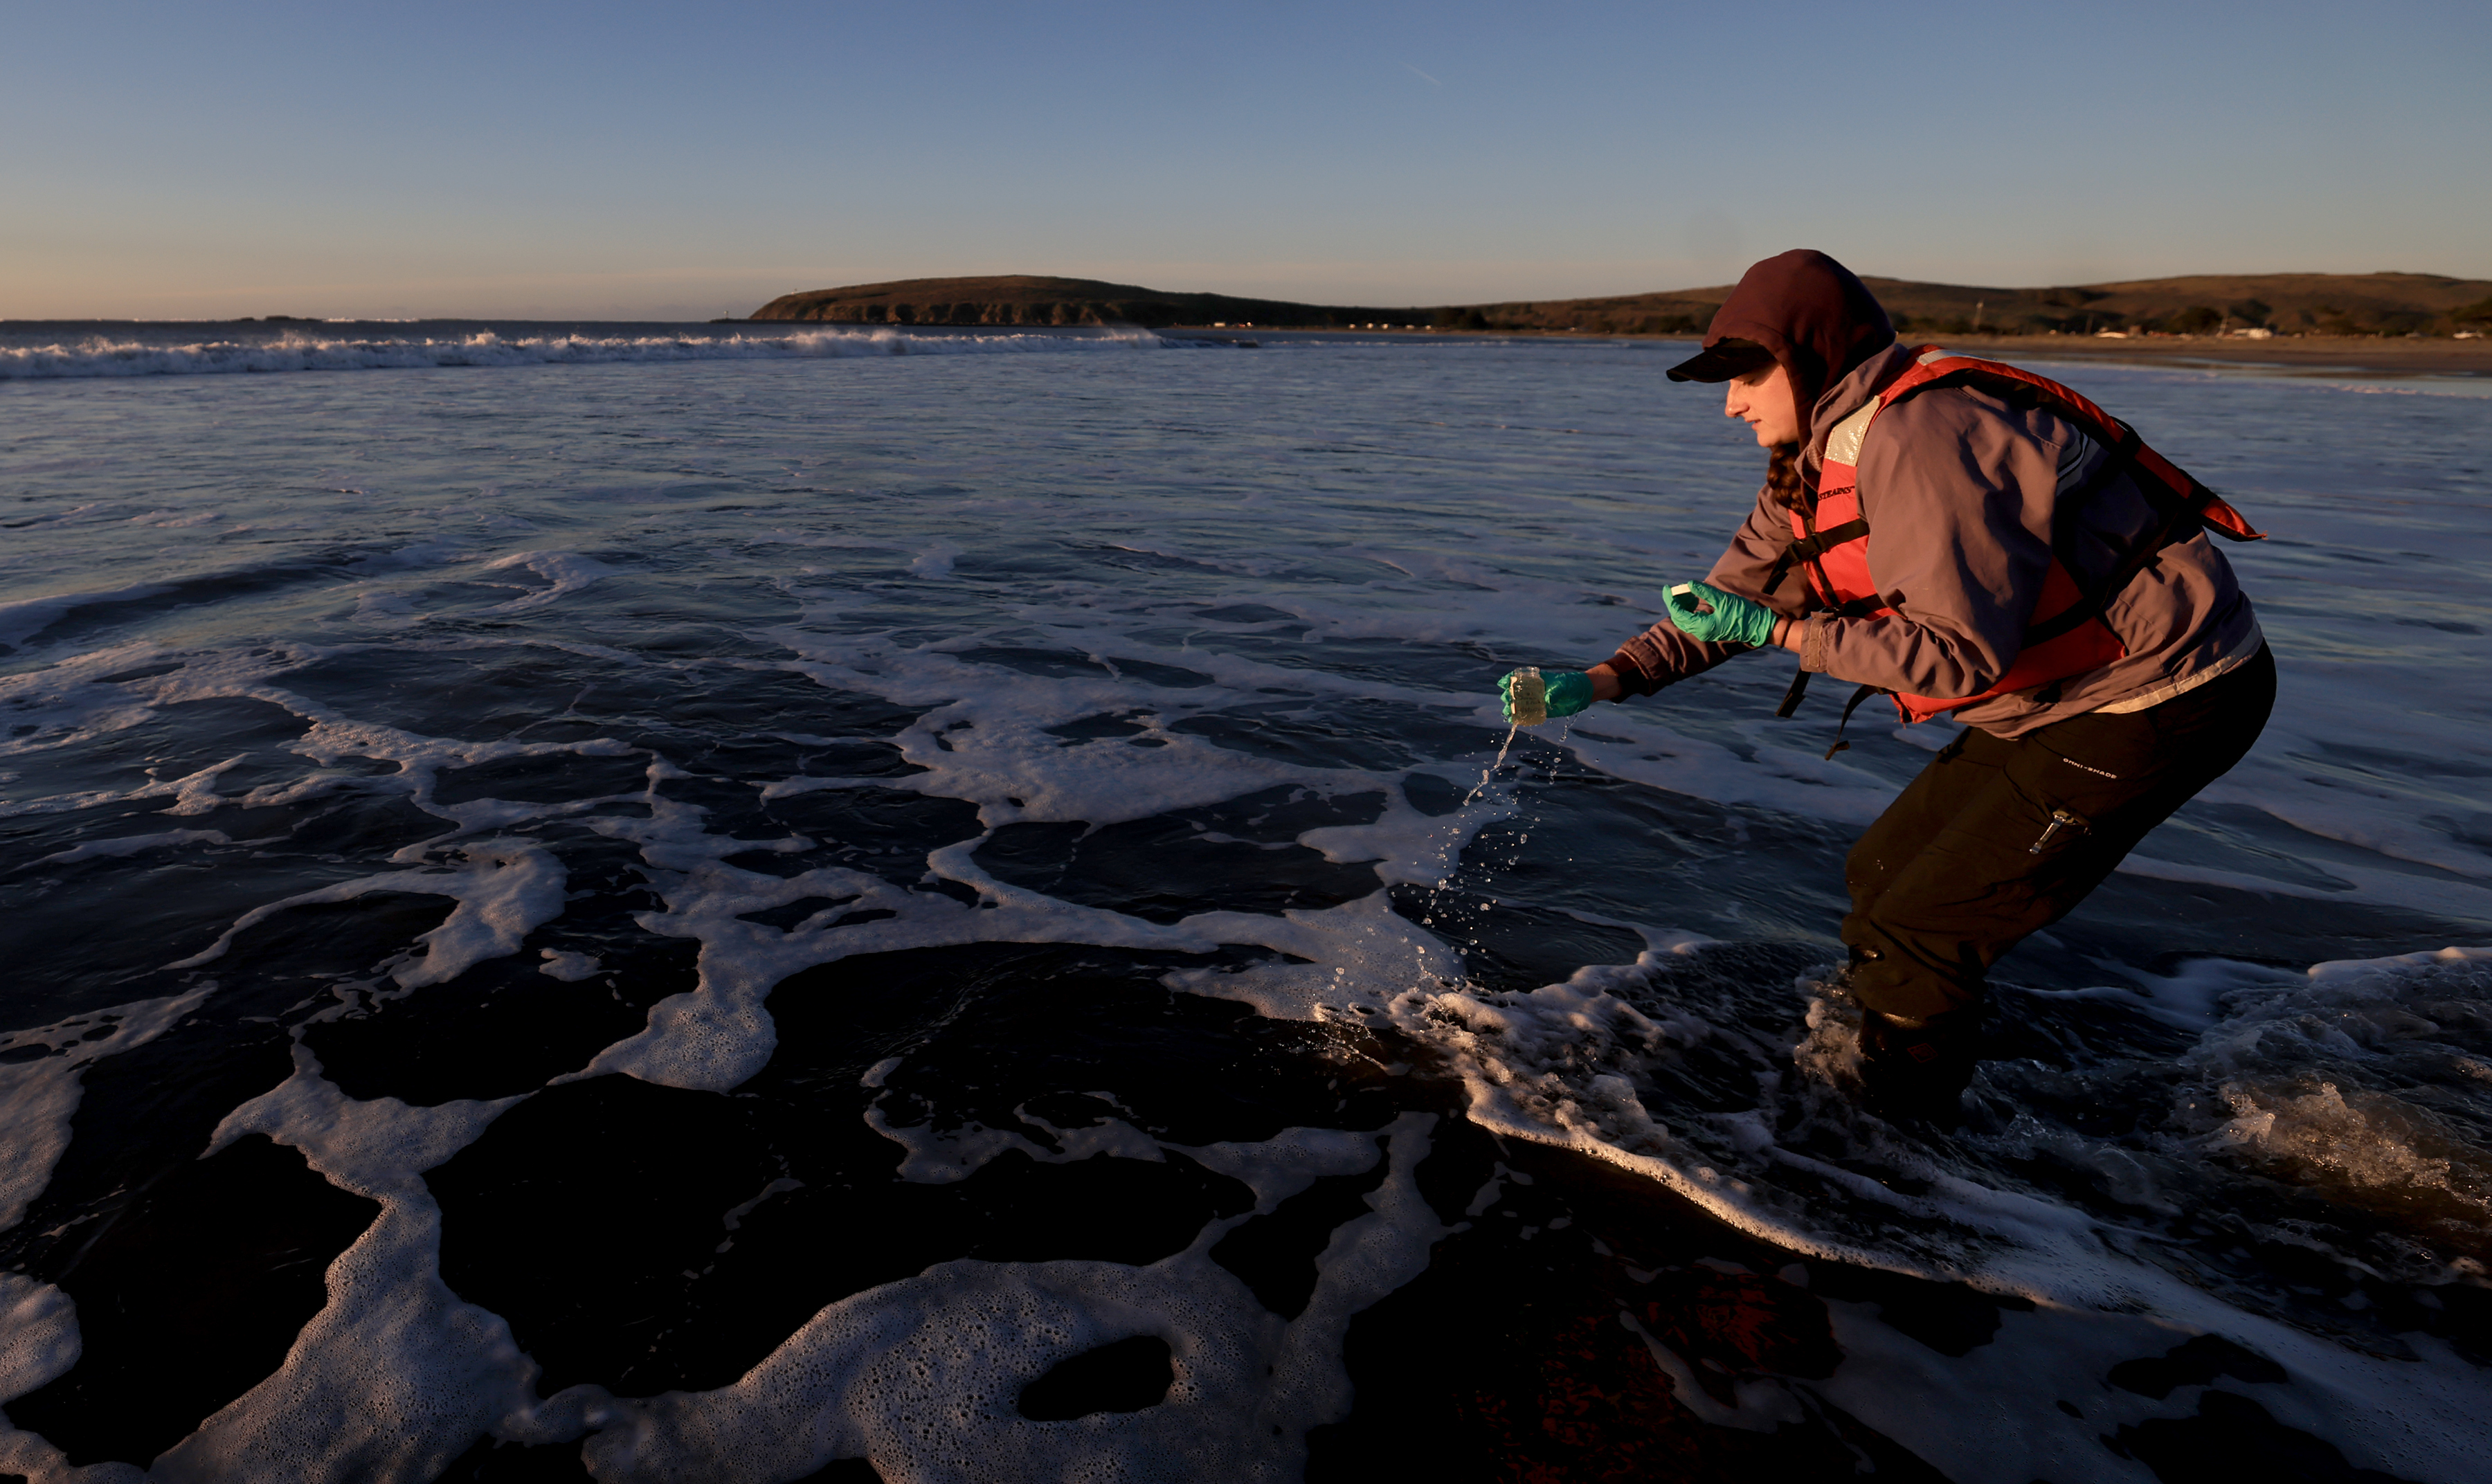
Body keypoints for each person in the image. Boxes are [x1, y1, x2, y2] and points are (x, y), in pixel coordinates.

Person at [1502, 250, 2273, 1125]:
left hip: (2164, 696)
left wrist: (1784, 635)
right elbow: (1733, 603)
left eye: (1747, 373)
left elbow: (1954, 658)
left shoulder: (1920, 439)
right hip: (2064, 693)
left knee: (1926, 922)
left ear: (1810, 359)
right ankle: (1896, 1047)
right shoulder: (1813, 460)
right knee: (1880, 872)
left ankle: (1904, 1153)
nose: (1731, 401)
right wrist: (1600, 680)